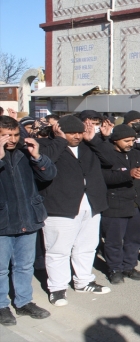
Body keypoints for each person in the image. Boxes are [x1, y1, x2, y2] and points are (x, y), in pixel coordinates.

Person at [38, 115, 111, 306]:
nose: (77, 136)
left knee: (87, 246)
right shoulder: (47, 145)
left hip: (91, 204)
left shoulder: (89, 146)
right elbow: (44, 166)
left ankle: (83, 281)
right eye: (71, 132)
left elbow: (110, 160)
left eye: (79, 132)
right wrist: (61, 141)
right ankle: (57, 288)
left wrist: (94, 139)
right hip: (60, 206)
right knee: (58, 250)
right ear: (59, 131)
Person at [0, 116, 56, 326]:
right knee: (1, 268)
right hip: (3, 221)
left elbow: (49, 175)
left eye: (15, 134)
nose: (12, 139)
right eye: (6, 135)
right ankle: (2, 306)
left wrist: (37, 156)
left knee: (24, 266)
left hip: (28, 218)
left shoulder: (25, 153)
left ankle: (24, 302)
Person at [96, 125, 140, 284]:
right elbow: (105, 177)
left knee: (134, 239)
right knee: (114, 240)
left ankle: (129, 266)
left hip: (135, 203)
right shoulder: (107, 155)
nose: (130, 143)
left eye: (133, 140)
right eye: (126, 141)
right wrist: (128, 174)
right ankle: (115, 269)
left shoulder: (136, 153)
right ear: (115, 140)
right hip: (115, 204)